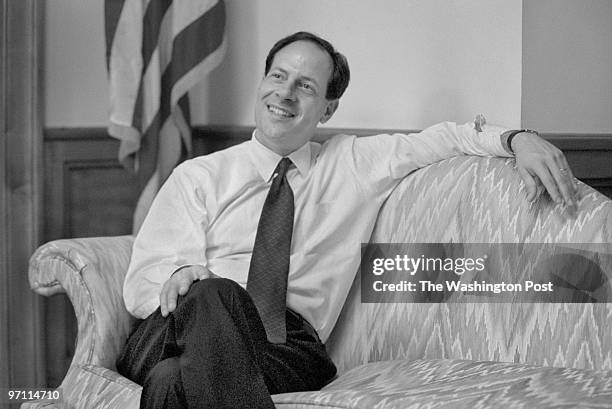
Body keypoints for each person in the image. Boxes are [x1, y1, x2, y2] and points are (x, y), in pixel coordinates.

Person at [116, 31, 577, 409]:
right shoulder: (199, 175)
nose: (285, 92)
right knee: (210, 296)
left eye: (306, 86)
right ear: (263, 83)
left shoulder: (353, 163)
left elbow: (446, 137)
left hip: (284, 348)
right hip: (173, 327)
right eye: (278, 76)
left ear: (328, 108)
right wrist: (181, 276)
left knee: (172, 382)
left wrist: (519, 138)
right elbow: (141, 285)